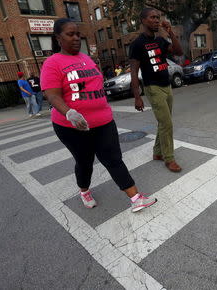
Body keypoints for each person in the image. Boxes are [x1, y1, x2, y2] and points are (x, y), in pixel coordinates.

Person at [40, 18, 156, 212]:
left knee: (113, 158)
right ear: (58, 38)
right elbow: (52, 94)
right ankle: (84, 190)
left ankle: (136, 198)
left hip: (103, 121)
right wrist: (69, 112)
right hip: (72, 126)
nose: (76, 38)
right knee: (85, 162)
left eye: (78, 34)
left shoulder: (86, 58)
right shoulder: (52, 63)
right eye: (70, 34)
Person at [130, 8, 184, 172]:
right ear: (143, 20)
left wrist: (170, 32)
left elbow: (179, 52)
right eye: (153, 17)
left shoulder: (160, 40)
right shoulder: (137, 44)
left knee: (163, 122)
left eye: (158, 17)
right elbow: (134, 72)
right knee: (167, 123)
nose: (156, 20)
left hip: (167, 85)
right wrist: (137, 96)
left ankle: (157, 152)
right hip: (153, 87)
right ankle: (169, 158)